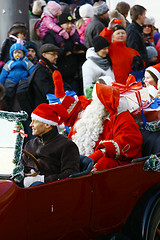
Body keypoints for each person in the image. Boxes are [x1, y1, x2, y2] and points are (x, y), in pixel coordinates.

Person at [59, 82, 143, 171]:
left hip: (109, 160)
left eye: (95, 101)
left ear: (105, 104)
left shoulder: (122, 117)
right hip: (80, 157)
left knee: (105, 163)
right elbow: (76, 109)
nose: (91, 103)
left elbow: (128, 140)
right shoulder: (91, 112)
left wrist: (97, 154)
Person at [22, 103, 80, 187]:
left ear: (47, 124)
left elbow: (71, 173)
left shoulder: (66, 145)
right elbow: (24, 166)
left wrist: (43, 180)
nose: (31, 125)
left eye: (35, 121)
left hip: (51, 190)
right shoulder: (30, 144)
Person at [43, 12, 86, 96]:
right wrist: (65, 49)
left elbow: (82, 50)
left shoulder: (73, 36)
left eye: (71, 23)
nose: (70, 26)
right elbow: (50, 56)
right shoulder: (52, 36)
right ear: (60, 24)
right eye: (67, 23)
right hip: (59, 77)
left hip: (73, 76)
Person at [100, 20, 144, 85]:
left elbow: (142, 66)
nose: (121, 35)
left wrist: (140, 65)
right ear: (113, 36)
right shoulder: (111, 48)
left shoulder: (133, 51)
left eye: (123, 33)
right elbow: (102, 40)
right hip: (118, 84)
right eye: (118, 33)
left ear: (126, 35)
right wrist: (109, 29)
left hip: (132, 84)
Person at [0, 43, 34, 111]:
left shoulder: (26, 62)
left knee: (21, 95)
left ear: (24, 53)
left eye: (19, 52)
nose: (17, 54)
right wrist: (1, 83)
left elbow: (32, 71)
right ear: (12, 54)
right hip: (11, 81)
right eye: (15, 52)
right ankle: (8, 106)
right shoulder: (9, 63)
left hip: (23, 80)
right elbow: (3, 74)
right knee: (8, 93)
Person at [28, 43, 62, 112]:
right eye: (53, 54)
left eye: (56, 54)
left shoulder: (48, 67)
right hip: (43, 109)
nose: (56, 57)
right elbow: (47, 91)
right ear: (44, 55)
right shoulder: (40, 70)